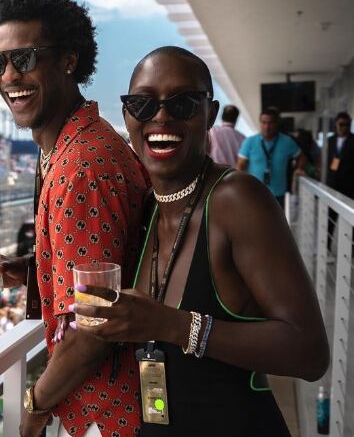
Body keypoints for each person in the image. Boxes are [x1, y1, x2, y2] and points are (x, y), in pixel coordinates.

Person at [71, 46, 329, 436]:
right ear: (126, 115)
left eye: (184, 102)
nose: (161, 116)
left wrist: (174, 325)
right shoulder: (148, 208)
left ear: (210, 113)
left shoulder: (237, 200)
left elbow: (309, 353)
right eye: (142, 104)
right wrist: (29, 269)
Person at [0, 0, 147, 437]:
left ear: (68, 60)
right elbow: (108, 268)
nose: (9, 76)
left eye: (24, 59)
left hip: (110, 411)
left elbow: (95, 322)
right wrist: (29, 268)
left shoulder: (79, 167)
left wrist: (33, 407)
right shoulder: (72, 145)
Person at [236, 107, 305, 208]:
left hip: (278, 195)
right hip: (254, 194)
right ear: (260, 123)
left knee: (277, 218)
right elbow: (240, 166)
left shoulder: (287, 141)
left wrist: (300, 168)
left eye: (271, 123)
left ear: (277, 123)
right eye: (264, 122)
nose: (267, 127)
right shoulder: (249, 142)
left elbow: (301, 157)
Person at [327, 111, 354, 198]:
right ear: (336, 124)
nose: (344, 127)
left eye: (347, 125)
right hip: (332, 182)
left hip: (349, 185)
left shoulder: (353, 140)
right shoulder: (330, 140)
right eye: (341, 124)